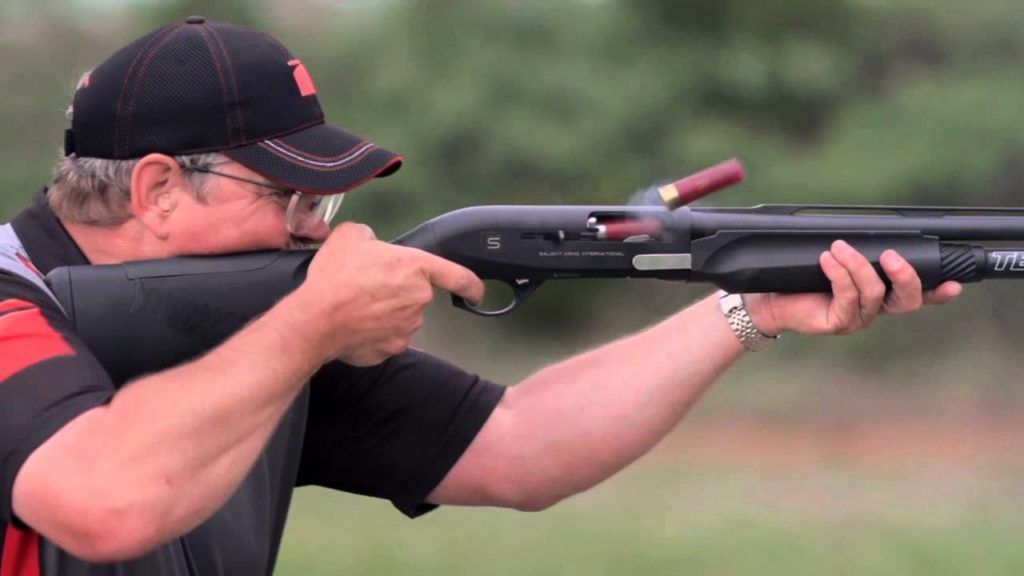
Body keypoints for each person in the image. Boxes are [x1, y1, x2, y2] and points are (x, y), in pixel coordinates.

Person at [0, 17, 961, 576]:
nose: (314, 232)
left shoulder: (262, 339)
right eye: (289, 199)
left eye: (322, 204)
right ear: (158, 189)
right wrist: (311, 324)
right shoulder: (21, 307)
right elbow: (101, 504)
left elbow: (521, 447)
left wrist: (750, 309)